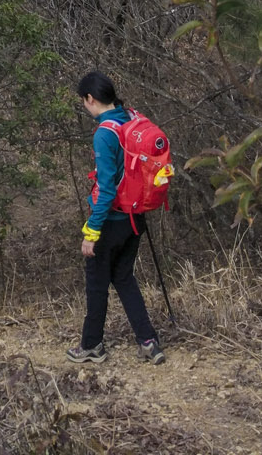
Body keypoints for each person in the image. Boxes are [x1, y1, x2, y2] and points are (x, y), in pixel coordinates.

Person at [68, 71, 165, 366]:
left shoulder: (105, 133)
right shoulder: (131, 118)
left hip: (111, 219)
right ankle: (149, 342)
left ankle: (91, 345)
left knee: (97, 282)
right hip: (136, 217)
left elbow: (107, 188)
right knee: (123, 277)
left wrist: (92, 231)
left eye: (83, 101)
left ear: (90, 98)